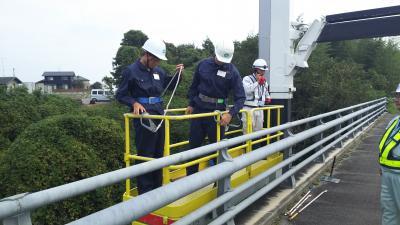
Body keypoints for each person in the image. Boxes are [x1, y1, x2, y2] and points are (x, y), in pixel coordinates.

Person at [116, 38, 184, 194]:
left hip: (159, 115)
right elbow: (120, 95)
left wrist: (178, 74)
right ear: (147, 55)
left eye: (159, 60)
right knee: (146, 155)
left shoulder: (158, 71)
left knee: (159, 153)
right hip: (144, 117)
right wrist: (133, 103)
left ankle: (157, 190)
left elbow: (170, 85)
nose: (157, 63)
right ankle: (145, 194)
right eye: (155, 60)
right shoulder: (131, 71)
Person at [185, 39, 245, 175]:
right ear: (215, 53)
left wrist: (230, 114)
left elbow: (240, 97)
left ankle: (218, 182)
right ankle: (190, 179)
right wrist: (191, 103)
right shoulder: (203, 65)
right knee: (193, 147)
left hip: (218, 115)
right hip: (199, 111)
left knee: (217, 149)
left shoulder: (232, 72)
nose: (222, 62)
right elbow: (194, 86)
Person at [380, 83, 400, 225]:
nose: (396, 99)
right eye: (397, 95)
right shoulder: (394, 121)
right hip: (387, 174)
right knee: (389, 214)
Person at [241, 59, 271, 134]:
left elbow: (266, 90)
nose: (263, 72)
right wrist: (257, 82)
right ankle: (246, 145)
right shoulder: (247, 79)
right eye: (261, 70)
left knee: (258, 130)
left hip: (259, 108)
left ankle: (256, 145)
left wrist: (268, 97)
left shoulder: (264, 81)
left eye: (264, 70)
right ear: (256, 69)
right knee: (248, 130)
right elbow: (247, 90)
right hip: (249, 109)